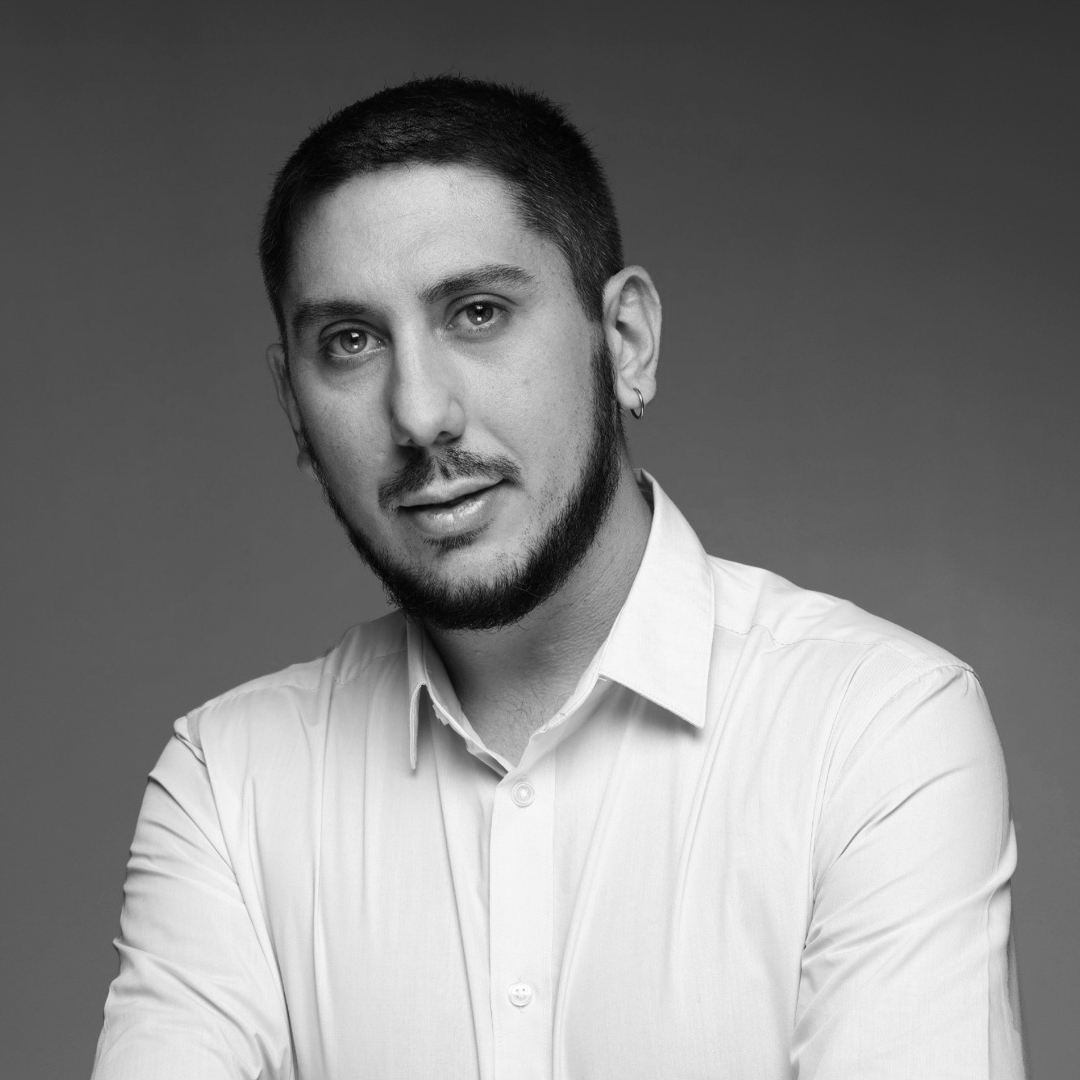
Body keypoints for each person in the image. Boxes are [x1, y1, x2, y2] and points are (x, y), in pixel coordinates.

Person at [92, 76, 1025, 1079]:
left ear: (625, 341)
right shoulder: (229, 783)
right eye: (350, 342)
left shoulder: (877, 728)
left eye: (477, 312)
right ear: (293, 405)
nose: (419, 414)